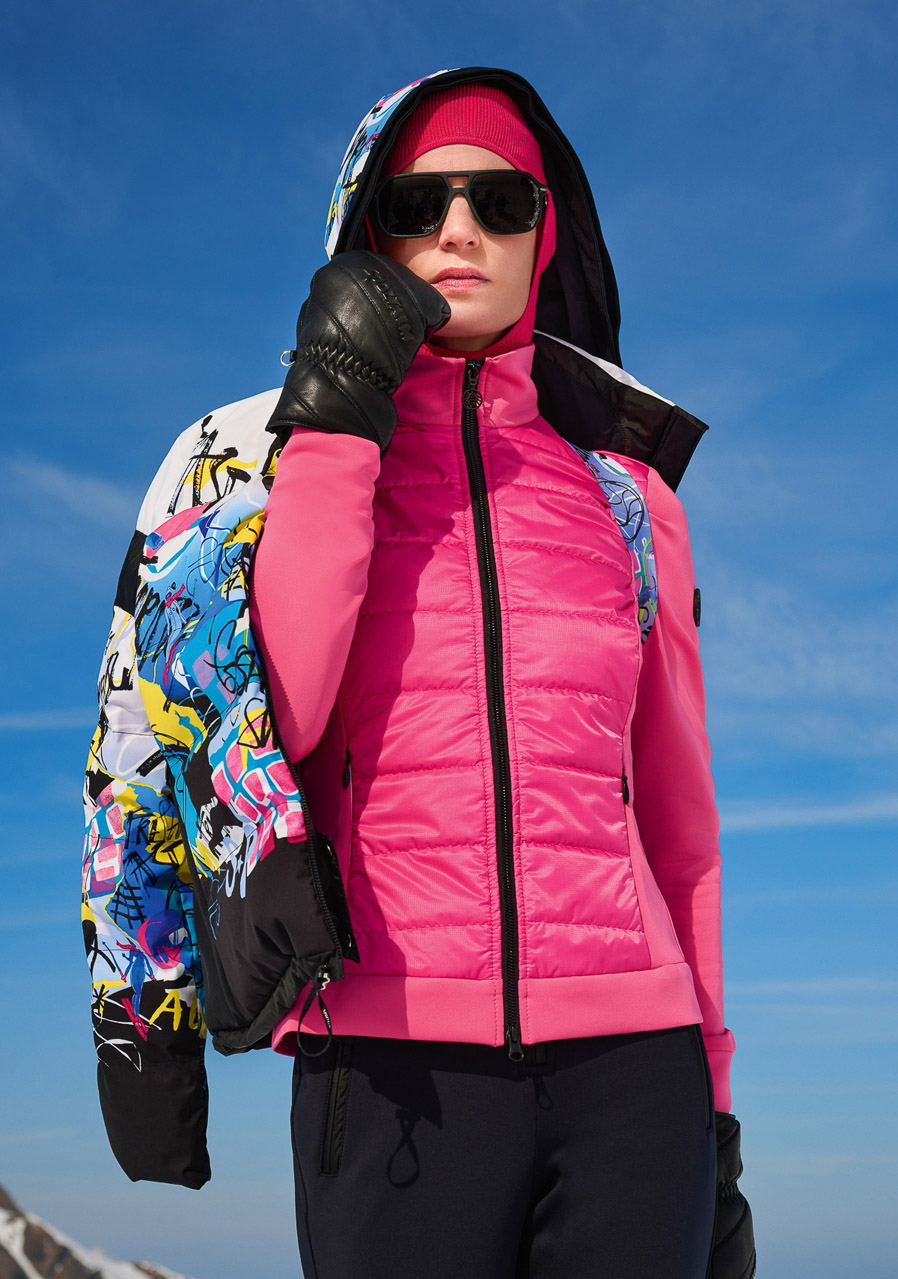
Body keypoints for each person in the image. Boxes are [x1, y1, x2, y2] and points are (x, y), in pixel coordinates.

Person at [81, 68, 754, 1279]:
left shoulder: (627, 494)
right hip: (390, 1067)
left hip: (635, 1072)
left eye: (500, 200)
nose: (459, 230)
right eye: (416, 202)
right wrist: (339, 423)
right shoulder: (252, 468)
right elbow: (260, 725)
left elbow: (678, 824)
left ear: (546, 234)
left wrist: (712, 1106)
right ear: (364, 231)